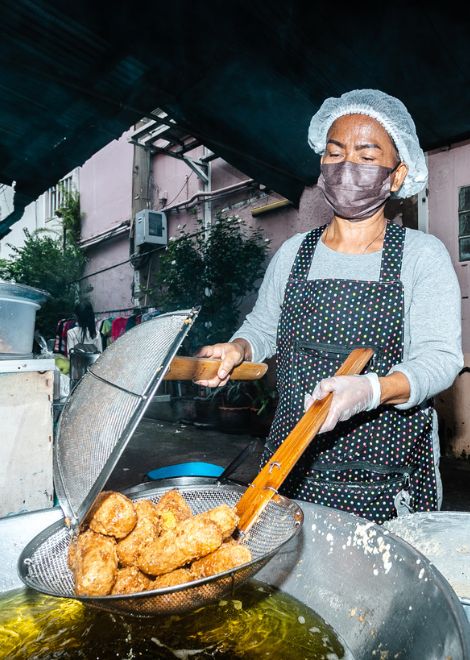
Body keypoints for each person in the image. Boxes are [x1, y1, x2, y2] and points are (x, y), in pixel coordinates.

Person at [196, 89, 463, 524]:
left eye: (366, 154)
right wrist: (239, 348)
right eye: (335, 153)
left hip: (385, 474)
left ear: (396, 176)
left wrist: (369, 391)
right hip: (294, 462)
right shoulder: (293, 254)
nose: (346, 167)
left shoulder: (420, 255)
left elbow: (440, 359)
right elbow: (264, 327)